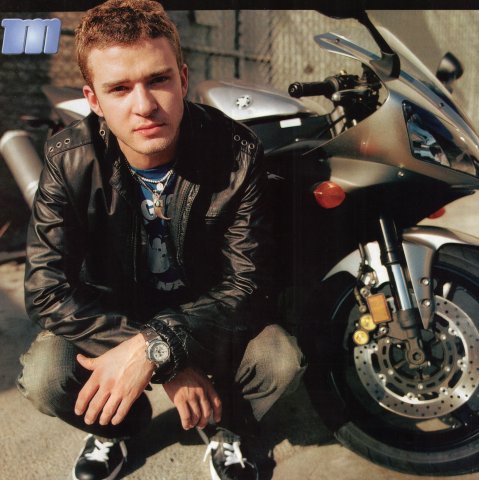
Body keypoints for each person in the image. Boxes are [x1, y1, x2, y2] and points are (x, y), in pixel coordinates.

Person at [17, 1, 305, 479]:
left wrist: (158, 344)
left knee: (279, 359)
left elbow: (248, 282)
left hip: (205, 312)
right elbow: (47, 290)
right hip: (109, 316)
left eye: (158, 80)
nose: (144, 105)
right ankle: (117, 427)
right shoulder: (68, 159)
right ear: (93, 99)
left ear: (183, 79)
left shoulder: (236, 153)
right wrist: (162, 359)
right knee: (45, 375)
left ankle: (228, 426)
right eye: (119, 88)